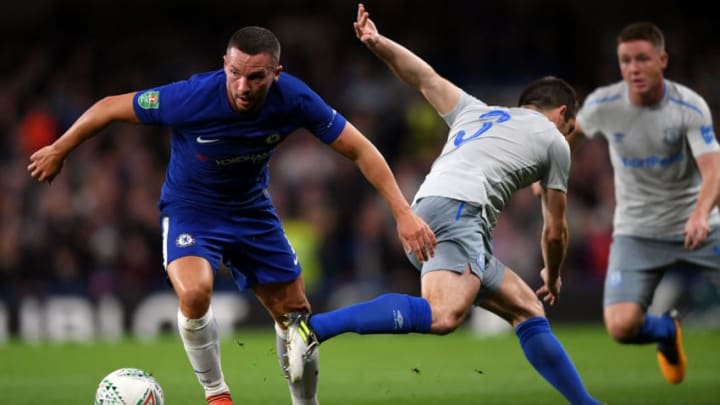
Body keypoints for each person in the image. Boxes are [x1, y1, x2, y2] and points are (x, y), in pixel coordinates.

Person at [27, 26, 436, 405]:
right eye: (236, 73)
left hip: (251, 213)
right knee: (194, 292)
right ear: (225, 63)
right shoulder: (191, 97)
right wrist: (60, 149)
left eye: (256, 77)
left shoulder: (294, 99)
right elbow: (110, 107)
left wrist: (402, 212)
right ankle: (217, 394)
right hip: (192, 211)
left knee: (296, 320)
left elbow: (360, 148)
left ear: (277, 73)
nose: (243, 86)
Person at [283, 4, 603, 405]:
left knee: (527, 308)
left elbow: (423, 76)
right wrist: (554, 275)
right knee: (443, 315)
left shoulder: (477, 111)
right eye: (570, 129)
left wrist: (378, 42)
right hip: (459, 211)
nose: (569, 137)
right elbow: (556, 230)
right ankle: (313, 329)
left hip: (434, 206)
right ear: (563, 115)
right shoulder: (555, 140)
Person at [565, 21, 720, 385]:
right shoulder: (605, 104)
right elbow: (570, 137)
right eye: (625, 60)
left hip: (698, 226)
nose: (634, 68)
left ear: (662, 59)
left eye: (642, 59)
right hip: (638, 232)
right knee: (621, 326)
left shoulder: (688, 107)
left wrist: (700, 214)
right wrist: (548, 172)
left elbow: (713, 170)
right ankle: (666, 331)